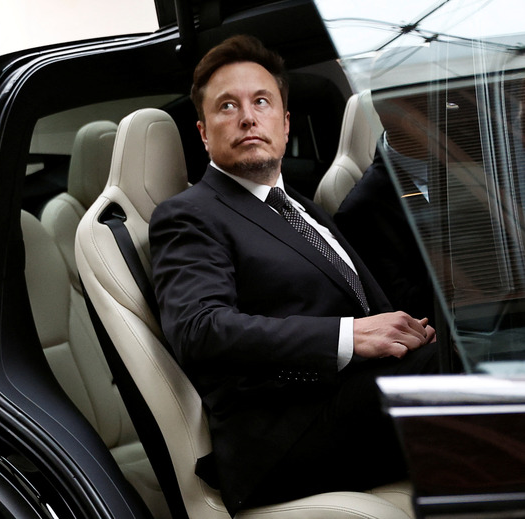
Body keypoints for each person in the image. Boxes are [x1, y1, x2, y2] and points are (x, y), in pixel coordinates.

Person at [149, 35, 439, 515]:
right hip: (285, 435)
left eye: (261, 101)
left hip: (352, 403)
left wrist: (412, 332)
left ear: (284, 126)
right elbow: (199, 328)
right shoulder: (188, 215)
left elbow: (368, 308)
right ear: (203, 133)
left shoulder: (301, 208)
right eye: (227, 106)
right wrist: (348, 336)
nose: (247, 116)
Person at [335, 100, 435, 324]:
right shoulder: (360, 213)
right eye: (446, 105)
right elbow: (403, 313)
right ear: (408, 120)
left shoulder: (487, 162)